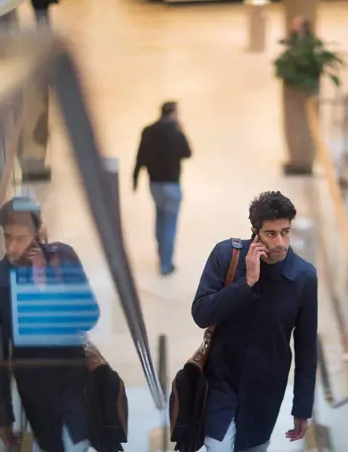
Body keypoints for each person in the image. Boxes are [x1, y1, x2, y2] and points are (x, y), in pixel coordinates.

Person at [192, 191, 318, 452]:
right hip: (221, 380)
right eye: (271, 234)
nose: (281, 242)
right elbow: (201, 313)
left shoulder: (304, 276)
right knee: (218, 446)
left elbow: (306, 347)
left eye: (286, 232)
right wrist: (247, 282)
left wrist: (302, 407)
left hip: (266, 388)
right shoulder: (227, 256)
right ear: (255, 232)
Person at [0, 197, 93, 452]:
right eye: (7, 237)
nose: (12, 247)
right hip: (35, 390)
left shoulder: (63, 257)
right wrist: (3, 417)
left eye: (20, 238)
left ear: (38, 233)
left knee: (80, 443)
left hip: (73, 377)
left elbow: (87, 318)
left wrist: (48, 282)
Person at [132, 101, 192, 276]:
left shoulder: (148, 131)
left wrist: (134, 178)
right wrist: (181, 131)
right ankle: (166, 264)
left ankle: (160, 254)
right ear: (173, 114)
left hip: (155, 183)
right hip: (172, 183)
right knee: (170, 222)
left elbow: (140, 155)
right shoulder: (175, 132)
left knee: (159, 218)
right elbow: (187, 152)